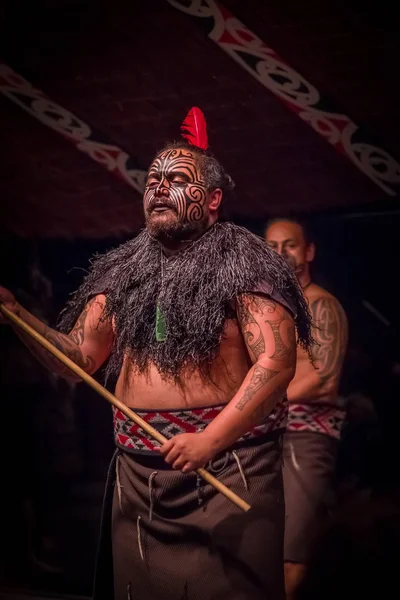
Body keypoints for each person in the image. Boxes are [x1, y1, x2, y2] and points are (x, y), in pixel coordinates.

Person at [0, 109, 313, 600]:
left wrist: (210, 439)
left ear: (212, 200)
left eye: (176, 180)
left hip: (228, 469)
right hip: (140, 479)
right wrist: (18, 315)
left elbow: (276, 363)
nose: (159, 189)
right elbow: (78, 360)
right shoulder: (125, 270)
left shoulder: (247, 264)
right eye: (152, 181)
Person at [265, 217, 348, 599]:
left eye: (290, 244)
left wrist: (253, 407)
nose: (280, 253)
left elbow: (323, 378)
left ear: (309, 251)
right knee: (260, 548)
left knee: (291, 551)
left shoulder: (321, 305)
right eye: (273, 245)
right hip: (265, 438)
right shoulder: (270, 309)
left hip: (305, 437)